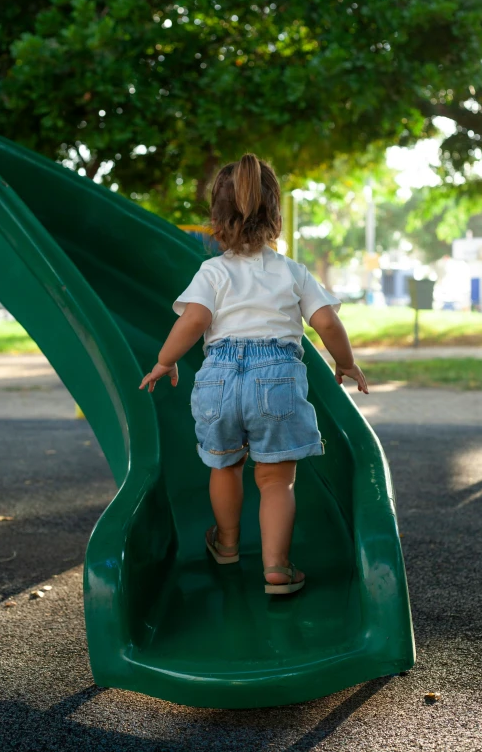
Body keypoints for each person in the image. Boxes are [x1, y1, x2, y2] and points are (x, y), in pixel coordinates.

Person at [139, 154, 368, 595]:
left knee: (225, 467)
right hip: (277, 378)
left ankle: (226, 545)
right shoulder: (292, 272)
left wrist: (165, 361)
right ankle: (277, 567)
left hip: (219, 379)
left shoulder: (213, 271)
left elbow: (191, 323)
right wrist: (345, 362)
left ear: (216, 221)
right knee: (276, 479)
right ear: (276, 216)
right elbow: (326, 324)